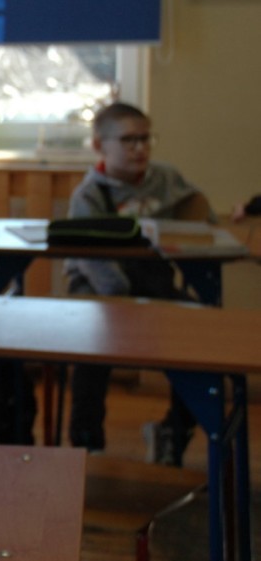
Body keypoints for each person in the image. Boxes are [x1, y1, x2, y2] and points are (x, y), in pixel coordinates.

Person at [65, 102, 207, 464]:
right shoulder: (89, 195)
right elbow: (95, 265)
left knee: (201, 337)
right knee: (91, 348)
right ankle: (87, 442)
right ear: (100, 146)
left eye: (145, 139)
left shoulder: (166, 178)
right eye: (129, 140)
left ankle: (172, 433)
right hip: (99, 288)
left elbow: (200, 214)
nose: (140, 148)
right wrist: (132, 314)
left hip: (152, 283)